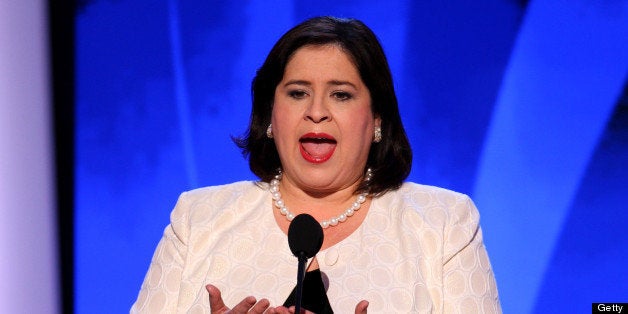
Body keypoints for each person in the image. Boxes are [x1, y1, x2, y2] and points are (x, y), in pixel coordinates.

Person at [131, 16, 500, 313]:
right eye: (297, 93)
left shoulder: (444, 222)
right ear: (270, 118)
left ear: (377, 120)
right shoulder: (199, 219)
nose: (317, 112)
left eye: (341, 95)